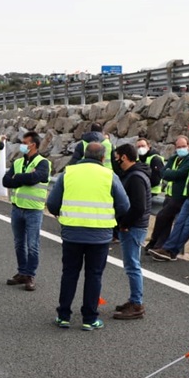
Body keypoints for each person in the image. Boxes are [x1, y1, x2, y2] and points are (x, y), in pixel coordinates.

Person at [46, 142, 129, 331]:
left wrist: (64, 216)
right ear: (102, 157)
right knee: (94, 275)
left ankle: (63, 316)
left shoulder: (69, 173)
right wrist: (109, 216)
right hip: (100, 234)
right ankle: (89, 319)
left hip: (72, 233)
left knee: (69, 274)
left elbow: (52, 203)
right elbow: (124, 205)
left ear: (84, 154)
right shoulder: (110, 176)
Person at [2, 131, 50, 292]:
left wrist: (18, 178)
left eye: (25, 142)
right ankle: (22, 272)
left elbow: (34, 179)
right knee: (19, 243)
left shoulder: (43, 163)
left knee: (32, 244)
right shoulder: (17, 162)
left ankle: (30, 275)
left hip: (33, 210)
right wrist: (23, 177)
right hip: (17, 208)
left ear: (33, 145)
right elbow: (6, 181)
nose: (22, 145)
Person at [111, 143, 152, 320]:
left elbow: (138, 207)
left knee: (132, 266)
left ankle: (137, 304)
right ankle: (134, 300)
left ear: (124, 157)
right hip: (133, 225)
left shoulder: (135, 177)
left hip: (134, 227)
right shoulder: (134, 174)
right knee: (131, 265)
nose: (115, 160)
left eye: (117, 157)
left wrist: (125, 224)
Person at [144, 136, 189, 253]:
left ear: (188, 147)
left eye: (183, 146)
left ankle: (153, 241)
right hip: (169, 194)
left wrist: (170, 173)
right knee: (166, 220)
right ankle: (159, 245)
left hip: (179, 196)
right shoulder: (174, 158)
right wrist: (170, 173)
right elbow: (163, 172)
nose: (181, 149)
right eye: (178, 147)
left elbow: (179, 174)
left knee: (162, 216)